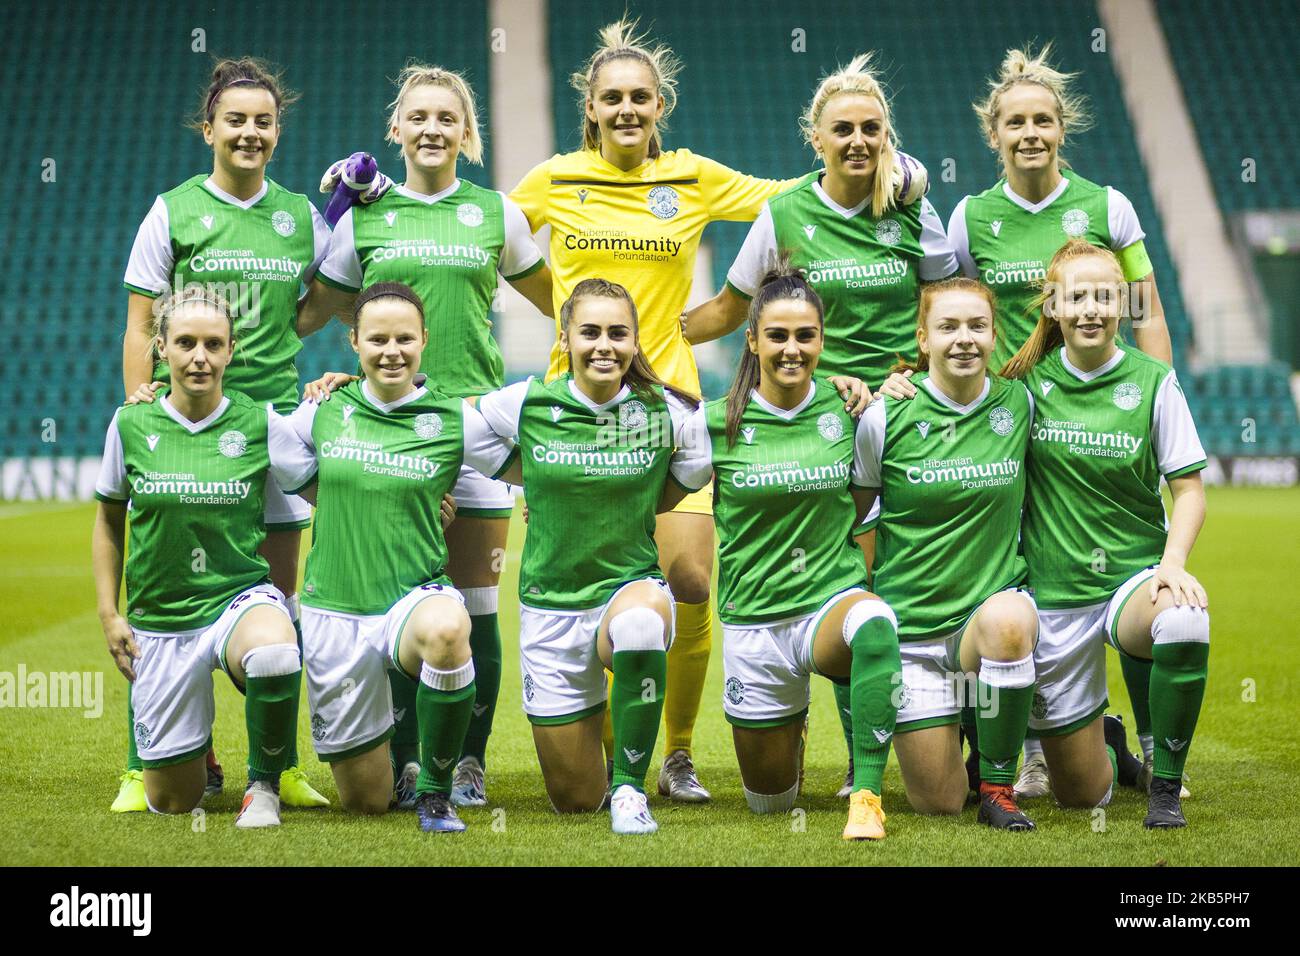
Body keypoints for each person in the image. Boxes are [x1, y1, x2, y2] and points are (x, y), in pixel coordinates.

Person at [508, 20, 910, 800]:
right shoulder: (556, 179)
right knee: (589, 576)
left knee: (689, 575)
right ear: (589, 109)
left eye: (641, 99)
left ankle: (679, 753)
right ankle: (603, 735)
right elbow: (489, 233)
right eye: (612, 99)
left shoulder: (690, 178)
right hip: (578, 409)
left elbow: (797, 196)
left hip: (675, 404)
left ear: (661, 107)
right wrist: (557, 306)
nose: (627, 110)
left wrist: (902, 167)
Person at [684, 53, 959, 796]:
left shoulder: (912, 208)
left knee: (901, 585)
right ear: (817, 137)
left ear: (888, 135)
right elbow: (731, 309)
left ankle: (916, 751)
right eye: (844, 129)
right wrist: (648, 341)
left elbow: (947, 301)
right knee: (848, 572)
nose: (859, 141)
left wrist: (909, 373)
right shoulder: (785, 214)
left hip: (902, 417)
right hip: (822, 413)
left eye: (873, 128)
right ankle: (804, 726)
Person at [300, 63, 553, 808]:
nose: (433, 128)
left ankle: (466, 764)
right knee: (398, 604)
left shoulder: (496, 214)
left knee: (471, 611)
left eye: (448, 117)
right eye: (419, 117)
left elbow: (561, 307)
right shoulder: (367, 219)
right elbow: (312, 315)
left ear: (467, 132)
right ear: (396, 130)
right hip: (385, 433)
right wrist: (326, 227)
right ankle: (408, 763)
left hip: (468, 433)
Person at [947, 44, 1177, 798]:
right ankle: (1013, 736)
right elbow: (955, 316)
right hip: (1005, 425)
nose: (1030, 133)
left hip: (1090, 415)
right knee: (1008, 582)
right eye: (1016, 122)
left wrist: (1155, 399)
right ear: (994, 133)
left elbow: (1144, 312)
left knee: (1095, 571)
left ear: (1061, 127)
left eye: (1043, 119)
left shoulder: (1107, 206)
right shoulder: (971, 216)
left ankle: (1109, 734)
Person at [117, 56, 330, 812]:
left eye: (263, 121)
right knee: (165, 590)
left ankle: (280, 765)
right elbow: (143, 321)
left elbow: (323, 303)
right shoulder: (172, 210)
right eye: (234, 120)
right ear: (208, 128)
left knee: (278, 598)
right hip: (185, 429)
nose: (249, 132)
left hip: (268, 428)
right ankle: (146, 762)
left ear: (277, 132)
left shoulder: (302, 217)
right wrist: (144, 415)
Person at [273, 282, 515, 832]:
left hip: (413, 600)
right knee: (367, 802)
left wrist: (543, 501)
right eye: (377, 338)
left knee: (452, 629)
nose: (392, 351)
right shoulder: (324, 410)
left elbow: (529, 463)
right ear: (353, 342)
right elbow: (265, 449)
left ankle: (435, 789)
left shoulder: (452, 418)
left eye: (405, 338)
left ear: (424, 341)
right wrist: (156, 402)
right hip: (336, 612)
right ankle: (393, 771)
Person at [668, 266, 900, 840]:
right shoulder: (714, 423)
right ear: (752, 339)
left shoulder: (852, 415)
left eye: (805, 336)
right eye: (777, 336)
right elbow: (655, 494)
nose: (791, 349)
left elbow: (865, 502)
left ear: (822, 340)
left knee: (874, 625)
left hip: (829, 605)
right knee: (771, 805)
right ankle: (787, 725)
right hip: (756, 624)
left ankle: (866, 794)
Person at [473, 278, 700, 834]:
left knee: (644, 624)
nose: (605, 345)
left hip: (628, 590)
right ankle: (601, 764)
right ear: (566, 338)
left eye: (618, 333)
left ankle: (630, 789)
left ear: (636, 341)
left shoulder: (668, 412)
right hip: (550, 610)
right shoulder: (526, 403)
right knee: (575, 799)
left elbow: (676, 485)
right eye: (591, 332)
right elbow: (458, 432)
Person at [1002, 240, 1208, 828]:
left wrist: (1172, 564)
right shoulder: (1024, 386)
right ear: (1054, 307)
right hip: (1054, 593)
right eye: (1076, 297)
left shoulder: (1153, 381)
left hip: (1132, 582)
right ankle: (1110, 745)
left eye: (1104, 296)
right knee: (1082, 795)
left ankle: (1165, 786)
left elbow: (1189, 489)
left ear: (1124, 304)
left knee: (1187, 617)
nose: (1090, 309)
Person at [94, 289, 304, 828]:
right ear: (161, 348)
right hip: (162, 619)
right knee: (172, 802)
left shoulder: (261, 424)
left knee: (276, 651)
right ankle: (192, 756)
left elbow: (338, 484)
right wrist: (109, 613)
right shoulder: (130, 424)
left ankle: (263, 787)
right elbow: (109, 520)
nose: (199, 357)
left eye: (213, 344)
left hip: (238, 599)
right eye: (185, 343)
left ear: (232, 351)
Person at [856, 276, 1040, 830]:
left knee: (1009, 622)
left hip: (984, 623)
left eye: (977, 326)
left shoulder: (1021, 403)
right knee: (937, 801)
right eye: (948, 327)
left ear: (993, 335)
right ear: (922, 338)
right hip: (913, 635)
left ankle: (999, 783)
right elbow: (859, 517)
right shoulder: (886, 417)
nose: (964, 339)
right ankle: (977, 724)